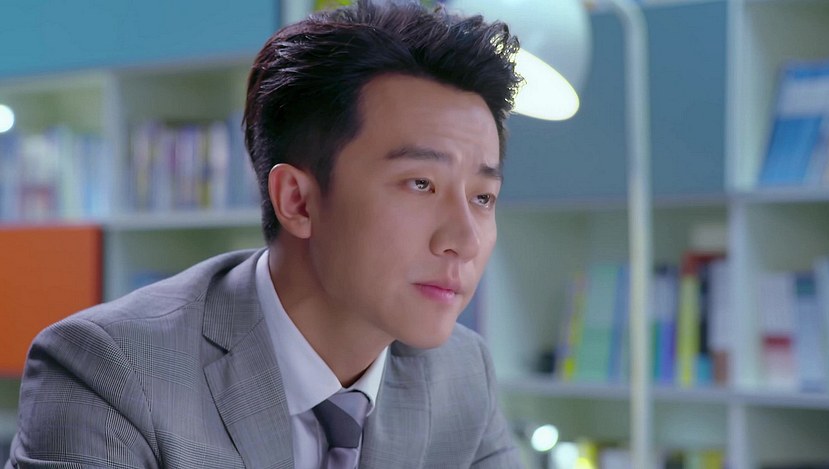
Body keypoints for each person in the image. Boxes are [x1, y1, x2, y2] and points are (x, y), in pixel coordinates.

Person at [7, 0, 524, 467]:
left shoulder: (460, 371)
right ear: (297, 201)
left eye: (483, 197)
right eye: (420, 184)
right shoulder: (111, 371)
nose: (466, 241)